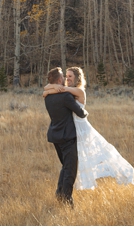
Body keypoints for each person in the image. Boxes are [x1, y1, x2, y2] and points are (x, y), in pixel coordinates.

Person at [43, 66, 134, 191]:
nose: (67, 78)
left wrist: (49, 89)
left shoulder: (79, 91)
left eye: (70, 76)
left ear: (77, 78)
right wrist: (50, 88)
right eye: (66, 76)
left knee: (98, 156)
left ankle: (123, 173)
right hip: (73, 130)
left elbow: (58, 90)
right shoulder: (65, 92)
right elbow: (55, 90)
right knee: (70, 164)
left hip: (82, 129)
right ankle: (63, 194)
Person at [44, 67, 88, 208]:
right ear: (59, 80)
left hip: (55, 136)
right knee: (70, 169)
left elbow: (46, 90)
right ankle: (67, 200)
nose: (65, 79)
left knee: (65, 166)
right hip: (68, 137)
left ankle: (59, 193)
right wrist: (85, 114)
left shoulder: (47, 96)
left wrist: (53, 87)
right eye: (64, 77)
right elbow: (80, 113)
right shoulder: (65, 96)